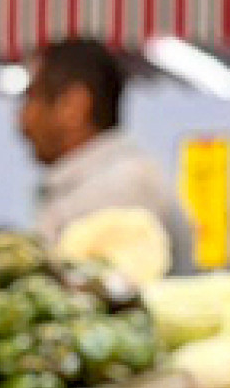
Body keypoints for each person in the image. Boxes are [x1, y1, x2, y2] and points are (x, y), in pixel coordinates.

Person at [19, 36, 194, 258]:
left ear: (74, 105)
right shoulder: (98, 184)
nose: (22, 120)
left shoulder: (119, 189)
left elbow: (98, 286)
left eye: (31, 99)